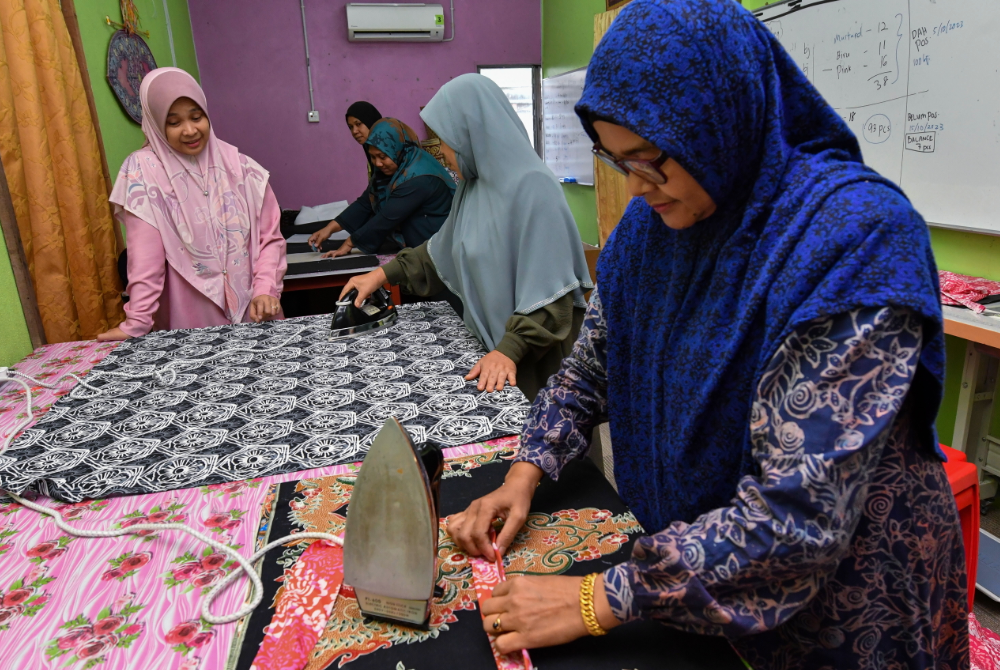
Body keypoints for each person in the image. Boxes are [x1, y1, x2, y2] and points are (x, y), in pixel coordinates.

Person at [447, 1, 968, 668]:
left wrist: (594, 601)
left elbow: (796, 520)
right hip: (689, 586)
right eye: (615, 159)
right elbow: (590, 370)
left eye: (650, 160)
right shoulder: (647, 233)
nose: (636, 188)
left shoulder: (852, 238)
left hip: (841, 608)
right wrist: (524, 473)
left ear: (718, 123)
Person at [339, 74, 594, 401]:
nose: (441, 152)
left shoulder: (534, 188)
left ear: (470, 134)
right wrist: (380, 275)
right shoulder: (472, 189)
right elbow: (438, 252)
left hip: (536, 362)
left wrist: (508, 349)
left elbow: (552, 296)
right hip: (495, 353)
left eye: (445, 140)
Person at [97, 67, 285, 341]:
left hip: (256, 315)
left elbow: (270, 238)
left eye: (197, 117)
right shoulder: (143, 172)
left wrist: (266, 289)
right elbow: (144, 260)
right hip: (192, 323)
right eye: (173, 123)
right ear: (156, 123)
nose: (189, 130)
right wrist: (136, 323)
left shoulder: (243, 169)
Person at [308, 118, 455, 256]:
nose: (378, 163)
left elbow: (386, 217)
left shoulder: (418, 178)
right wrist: (329, 229)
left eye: (383, 157)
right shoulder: (397, 166)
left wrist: (349, 243)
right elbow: (365, 203)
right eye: (373, 157)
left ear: (396, 149)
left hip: (437, 250)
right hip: (418, 247)